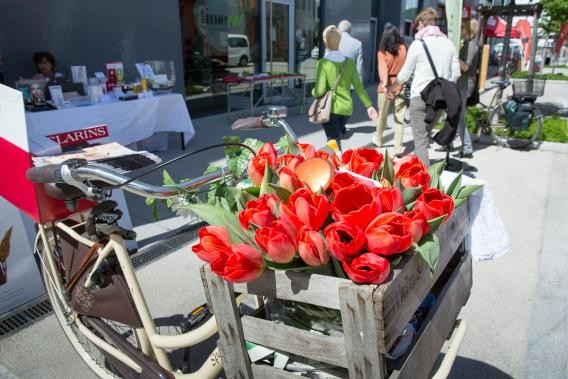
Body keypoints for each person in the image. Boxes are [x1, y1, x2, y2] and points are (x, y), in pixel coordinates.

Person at [387, 8, 460, 165]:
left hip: (420, 98)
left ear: (421, 23)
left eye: (416, 25)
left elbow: (405, 75)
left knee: (420, 145)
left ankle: (425, 183)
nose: (416, 28)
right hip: (440, 100)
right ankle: (419, 171)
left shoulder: (418, 45)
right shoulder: (449, 44)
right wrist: (443, 86)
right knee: (424, 140)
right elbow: (456, 74)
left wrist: (391, 88)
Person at [312, 25, 377, 151]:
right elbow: (359, 87)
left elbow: (319, 91)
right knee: (333, 140)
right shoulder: (349, 63)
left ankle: (337, 167)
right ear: (339, 41)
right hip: (346, 109)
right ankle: (330, 163)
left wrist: (313, 91)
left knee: (334, 142)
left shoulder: (323, 63)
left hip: (329, 109)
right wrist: (369, 106)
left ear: (325, 42)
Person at [375, 24, 407, 156]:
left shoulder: (382, 52)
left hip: (386, 86)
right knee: (399, 119)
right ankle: (398, 148)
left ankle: (378, 139)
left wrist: (385, 86)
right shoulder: (403, 49)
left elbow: (384, 71)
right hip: (400, 85)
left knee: (382, 115)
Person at [454, 17, 480, 159]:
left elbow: (465, 66)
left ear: (468, 29)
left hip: (464, 85)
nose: (461, 30)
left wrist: (454, 55)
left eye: (463, 27)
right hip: (462, 84)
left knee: (459, 117)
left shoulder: (472, 45)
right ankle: (452, 143)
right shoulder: (469, 43)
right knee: (456, 116)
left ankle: (467, 148)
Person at [337, 20, 364, 134]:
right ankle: (340, 127)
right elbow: (359, 66)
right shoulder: (357, 44)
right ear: (350, 30)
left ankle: (338, 127)